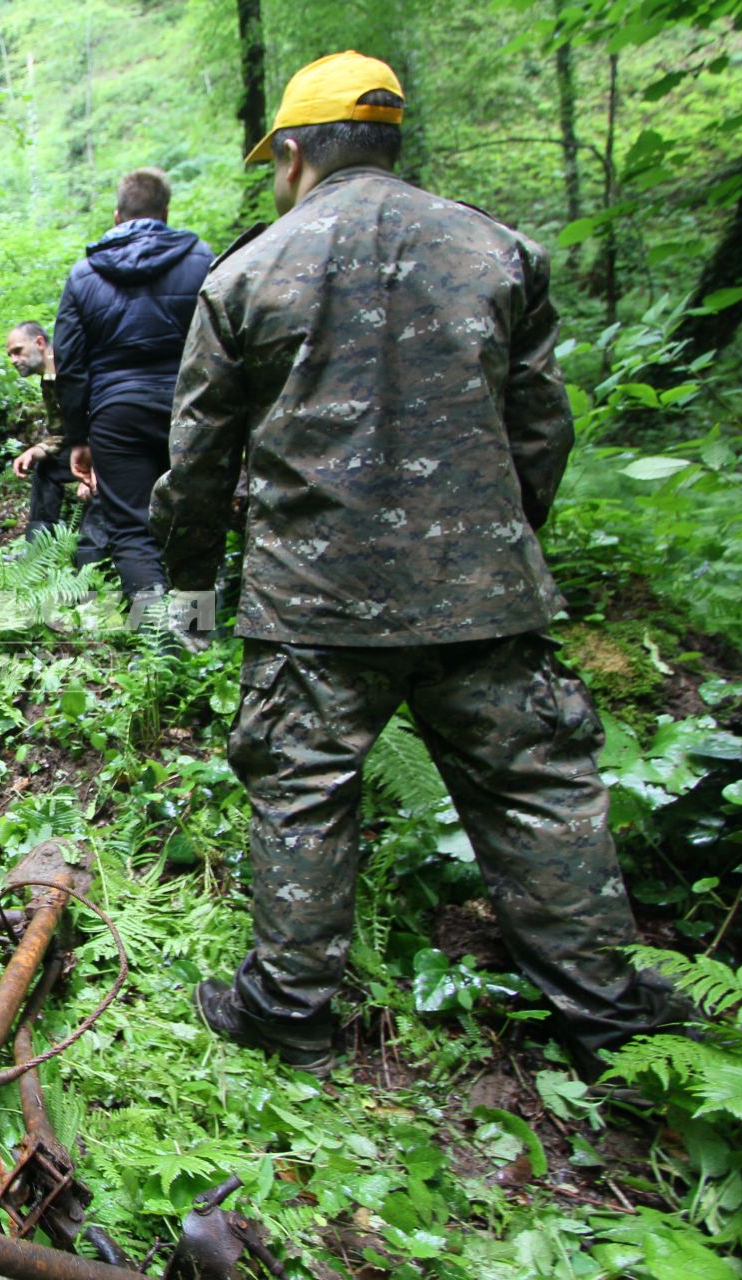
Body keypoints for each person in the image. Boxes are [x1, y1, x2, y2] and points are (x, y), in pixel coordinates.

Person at [151, 51, 686, 1078]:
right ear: (392, 141)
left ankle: (290, 1009)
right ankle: (608, 1018)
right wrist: (498, 541)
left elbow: (200, 458)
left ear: (296, 153)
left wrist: (188, 577)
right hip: (481, 590)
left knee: (303, 792)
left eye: (277, 159)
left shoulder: (248, 273)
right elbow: (541, 429)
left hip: (314, 600)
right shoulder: (499, 252)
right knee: (538, 790)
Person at [55, 168, 213, 617]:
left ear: (116, 215)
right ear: (165, 212)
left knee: (131, 530)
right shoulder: (202, 260)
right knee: (193, 524)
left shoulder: (84, 273)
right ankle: (197, 635)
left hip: (116, 414)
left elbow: (70, 363)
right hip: (192, 411)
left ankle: (157, 641)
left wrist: (78, 436)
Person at [4, 322, 109, 566]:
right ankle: (37, 552)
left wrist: (96, 468)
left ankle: (90, 567)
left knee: (101, 487)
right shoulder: (48, 381)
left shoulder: (73, 368)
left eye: (18, 350)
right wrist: (36, 451)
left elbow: (105, 421)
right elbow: (62, 433)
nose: (13, 359)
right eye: (9, 354)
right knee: (47, 468)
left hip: (113, 450)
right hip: (88, 449)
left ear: (39, 343)